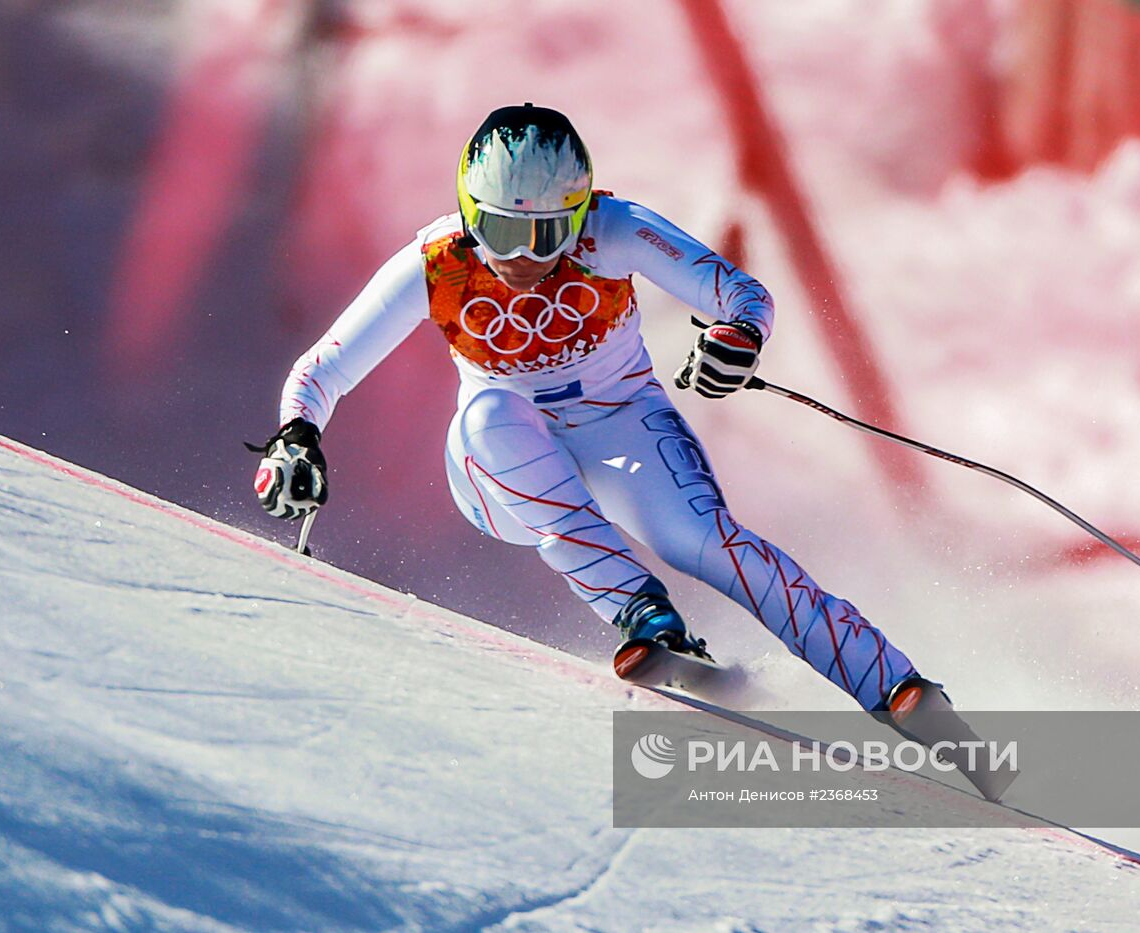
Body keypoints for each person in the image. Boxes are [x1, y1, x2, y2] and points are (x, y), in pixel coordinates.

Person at [251, 103, 934, 717]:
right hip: (502, 471)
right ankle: (642, 610)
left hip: (622, 434)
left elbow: (742, 296)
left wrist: (740, 336)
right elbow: (323, 369)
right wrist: (297, 435)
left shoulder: (613, 230)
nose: (521, 257)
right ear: (466, 212)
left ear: (578, 217)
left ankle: (893, 684)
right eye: (498, 230)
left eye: (546, 234)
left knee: (708, 543)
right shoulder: (437, 264)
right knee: (491, 415)